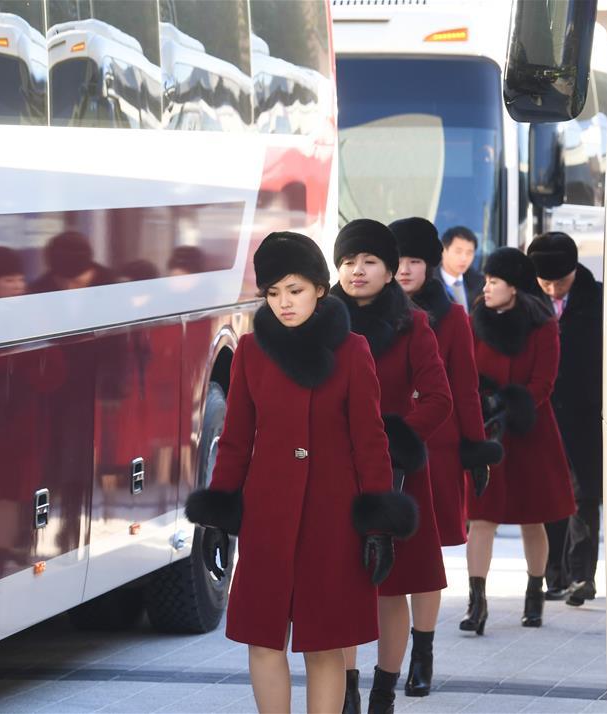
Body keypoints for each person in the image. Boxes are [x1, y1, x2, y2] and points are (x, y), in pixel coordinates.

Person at [184, 231, 418, 714]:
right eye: (273, 293)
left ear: (320, 289)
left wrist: (378, 524)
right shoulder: (250, 351)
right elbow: (235, 440)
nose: (284, 303)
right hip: (267, 517)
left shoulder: (352, 351)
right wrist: (218, 516)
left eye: (295, 290)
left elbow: (370, 442)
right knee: (263, 639)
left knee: (324, 643)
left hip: (332, 520)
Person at [331, 218, 452, 714]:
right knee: (339, 585)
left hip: (396, 476)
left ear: (389, 270)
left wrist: (392, 439)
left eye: (369, 261)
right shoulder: (321, 322)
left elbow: (439, 398)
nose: (357, 270)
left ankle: (383, 693)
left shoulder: (413, 324)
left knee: (391, 587)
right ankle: (345, 692)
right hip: (336, 472)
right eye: (348, 261)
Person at [390, 217, 502, 697]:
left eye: (414, 261)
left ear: (430, 265)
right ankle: (375, 664)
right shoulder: (364, 311)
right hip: (380, 448)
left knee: (424, 559)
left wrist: (475, 450)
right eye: (398, 260)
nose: (404, 269)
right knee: (382, 557)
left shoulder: (452, 317)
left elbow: (465, 387)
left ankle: (423, 651)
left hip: (435, 449)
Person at [461, 247, 575, 634]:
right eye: (486, 280)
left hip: (530, 433)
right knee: (480, 518)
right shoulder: (476, 320)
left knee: (532, 518)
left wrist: (511, 405)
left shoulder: (542, 325)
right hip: (487, 433)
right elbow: (466, 371)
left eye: (494, 281)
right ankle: (477, 602)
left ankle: (534, 592)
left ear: (514, 286)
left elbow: (544, 382)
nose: (485, 287)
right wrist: (483, 405)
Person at [528, 232, 603, 606]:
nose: (554, 290)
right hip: (540, 415)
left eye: (561, 282)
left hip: (586, 413)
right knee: (547, 495)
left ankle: (581, 576)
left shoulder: (599, 300)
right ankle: (552, 576)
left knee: (585, 495)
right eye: (546, 283)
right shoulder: (525, 303)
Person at [29, 231, 116, 293]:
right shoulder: (39, 289)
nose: (70, 287)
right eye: (62, 281)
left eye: (77, 282)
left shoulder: (113, 284)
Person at [439, 226, 485, 313]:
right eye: (458, 251)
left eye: (469, 253)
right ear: (443, 251)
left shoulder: (481, 284)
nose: (464, 258)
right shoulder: (426, 283)